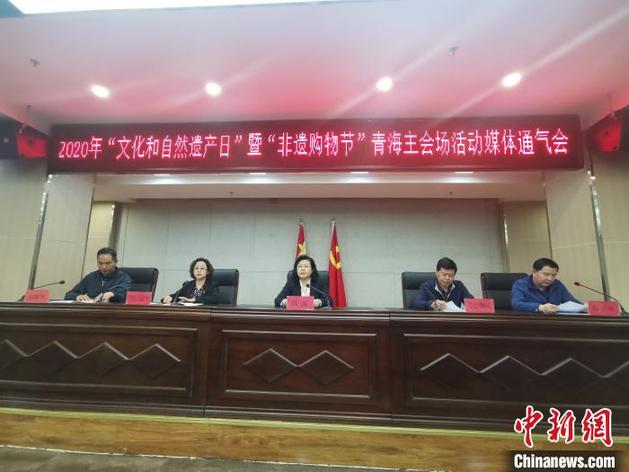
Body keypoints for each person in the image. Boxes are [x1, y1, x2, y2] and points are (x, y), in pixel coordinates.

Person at [511, 258, 582, 314]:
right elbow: (516, 304)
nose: (550, 278)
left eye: (553, 275)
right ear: (534, 272)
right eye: (546, 274)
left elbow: (571, 301)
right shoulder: (521, 284)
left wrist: (583, 307)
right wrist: (540, 307)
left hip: (555, 321)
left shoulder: (557, 284)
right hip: (531, 322)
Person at [64, 247, 131, 302]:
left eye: (108, 263)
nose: (103, 267)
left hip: (113, 311)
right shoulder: (91, 277)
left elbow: (123, 296)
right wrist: (77, 296)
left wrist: (112, 294)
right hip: (92, 310)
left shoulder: (124, 278)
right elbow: (69, 295)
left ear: (116, 262)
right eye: (100, 263)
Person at [410, 257, 474, 311]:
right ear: (437, 273)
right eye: (444, 274)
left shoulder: (458, 285)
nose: (447, 278)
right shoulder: (427, 286)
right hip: (434, 320)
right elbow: (415, 303)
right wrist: (431, 304)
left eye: (451, 275)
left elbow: (472, 302)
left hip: (453, 320)